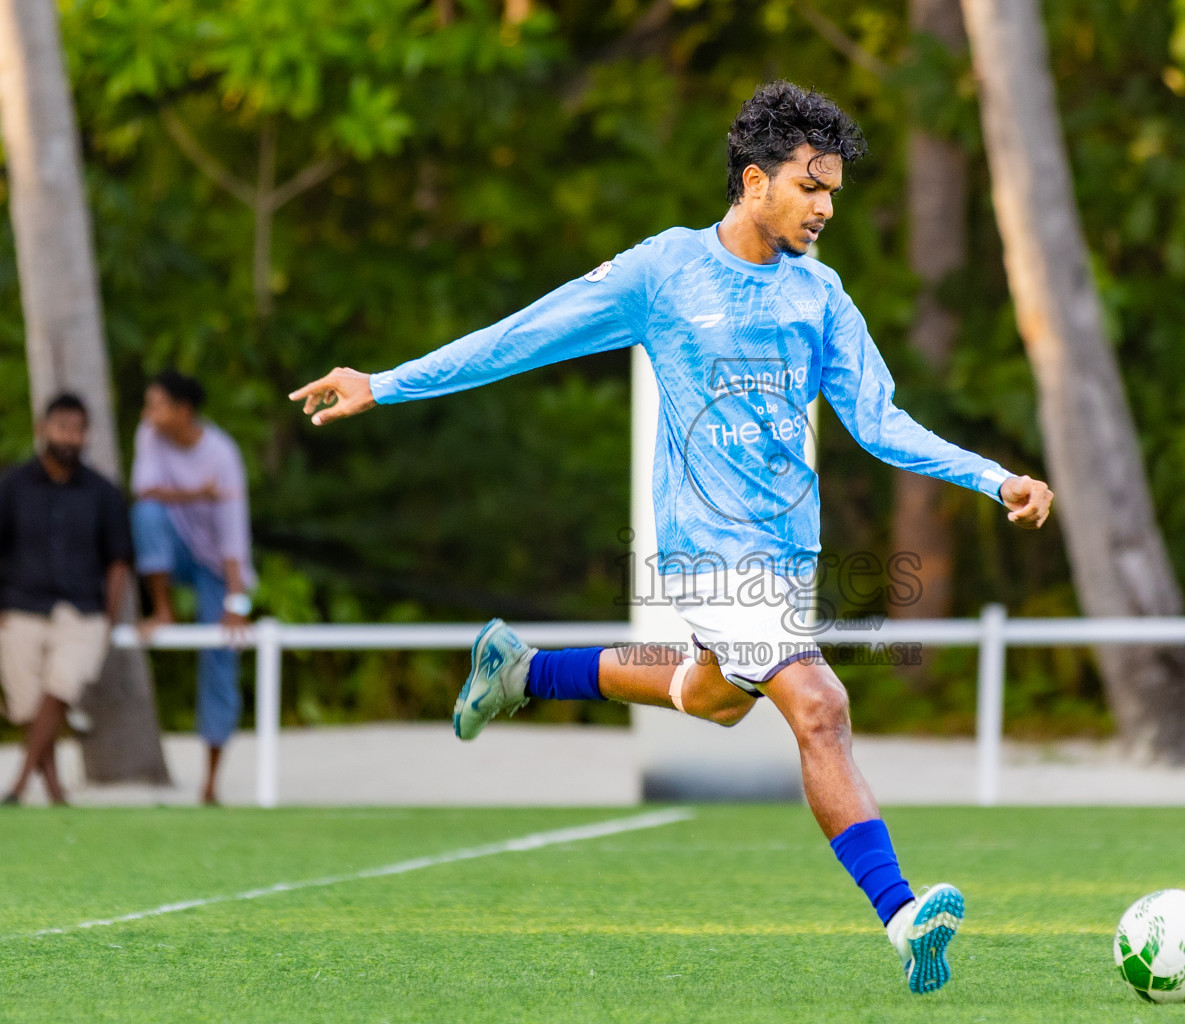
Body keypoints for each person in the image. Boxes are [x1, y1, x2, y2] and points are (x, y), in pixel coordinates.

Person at [290, 81, 1053, 994]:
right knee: (821, 705)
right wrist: (386, 383)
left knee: (714, 696)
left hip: (784, 561)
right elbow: (525, 335)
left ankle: (524, 673)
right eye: (810, 188)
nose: (825, 209)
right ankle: (901, 917)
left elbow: (880, 421)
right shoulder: (664, 273)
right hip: (705, 556)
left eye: (833, 193)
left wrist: (992, 476)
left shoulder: (820, 294)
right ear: (754, 181)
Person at [0, 394, 134, 805]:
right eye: (62, 428)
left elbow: (119, 559)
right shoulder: (12, 486)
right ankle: (55, 791)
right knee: (28, 707)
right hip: (20, 607)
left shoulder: (103, 492)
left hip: (83, 611)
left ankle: (19, 784)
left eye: (78, 430)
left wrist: (108, 616)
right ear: (43, 429)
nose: (70, 438)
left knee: (61, 687)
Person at [130, 370, 254, 806]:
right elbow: (145, 492)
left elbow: (234, 536)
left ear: (183, 410)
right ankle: (162, 607)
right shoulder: (150, 435)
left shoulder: (222, 454)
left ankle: (211, 783)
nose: (148, 413)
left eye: (157, 405)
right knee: (146, 514)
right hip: (175, 550)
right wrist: (200, 494)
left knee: (221, 657)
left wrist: (236, 602)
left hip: (218, 565)